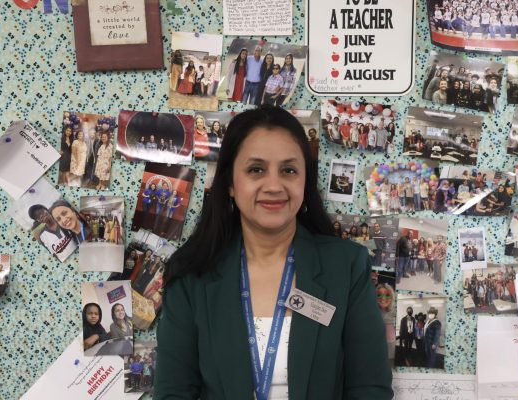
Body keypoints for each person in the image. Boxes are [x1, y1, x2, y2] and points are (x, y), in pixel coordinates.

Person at [154, 106, 393, 399]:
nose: (274, 185)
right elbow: (173, 393)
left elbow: (369, 389)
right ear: (230, 182)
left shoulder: (346, 266)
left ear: (305, 181)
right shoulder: (191, 274)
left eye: (289, 170)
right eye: (256, 170)